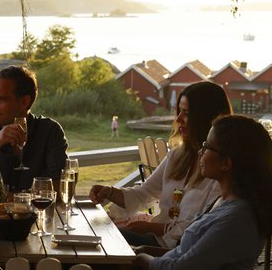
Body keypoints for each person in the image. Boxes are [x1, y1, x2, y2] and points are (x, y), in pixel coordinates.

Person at [97, 115, 272, 270]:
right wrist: (145, 250)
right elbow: (187, 255)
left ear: (226, 163)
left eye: (207, 146)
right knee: (84, 267)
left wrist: (142, 258)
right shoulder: (226, 203)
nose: (201, 152)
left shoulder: (236, 220)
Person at [90, 81, 233, 248]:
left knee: (104, 238)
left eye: (186, 113)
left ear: (208, 118)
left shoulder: (220, 169)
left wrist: (153, 228)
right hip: (155, 241)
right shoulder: (177, 156)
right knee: (98, 233)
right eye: (179, 112)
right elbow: (144, 194)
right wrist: (110, 192)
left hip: (175, 251)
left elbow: (203, 228)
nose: (179, 119)